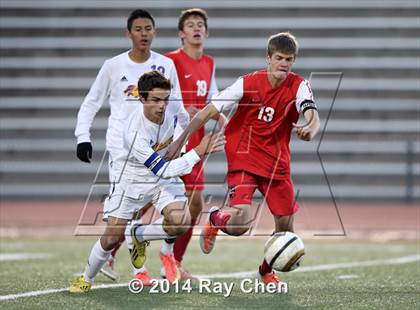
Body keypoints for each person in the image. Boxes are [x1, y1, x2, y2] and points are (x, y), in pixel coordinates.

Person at [168, 32, 320, 285]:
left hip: (276, 162)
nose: (284, 64)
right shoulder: (248, 82)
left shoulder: (299, 85)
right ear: (268, 58)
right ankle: (216, 220)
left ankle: (265, 272)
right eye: (279, 58)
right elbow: (208, 112)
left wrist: (310, 130)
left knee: (285, 229)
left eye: (289, 59)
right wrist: (179, 141)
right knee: (240, 226)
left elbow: (312, 113)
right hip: (244, 155)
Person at [70, 71, 225, 293]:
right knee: (112, 237)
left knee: (181, 222)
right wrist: (197, 152)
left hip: (161, 179)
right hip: (132, 180)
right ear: (141, 99)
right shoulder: (133, 131)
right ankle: (86, 278)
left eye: (164, 99)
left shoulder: (171, 106)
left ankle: (138, 235)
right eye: (155, 100)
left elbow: (184, 120)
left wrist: (179, 146)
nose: (162, 106)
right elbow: (162, 170)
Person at [74, 9, 189, 283]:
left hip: (158, 153)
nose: (144, 33)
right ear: (129, 34)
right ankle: (139, 272)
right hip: (123, 154)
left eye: (148, 28)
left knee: (175, 217)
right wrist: (83, 137)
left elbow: (179, 109)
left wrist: (181, 147)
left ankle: (132, 254)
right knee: (127, 216)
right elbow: (92, 101)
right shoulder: (113, 66)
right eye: (138, 29)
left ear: (155, 32)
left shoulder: (165, 65)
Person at [165, 8, 226, 280]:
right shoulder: (169, 61)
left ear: (207, 32)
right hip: (170, 141)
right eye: (190, 25)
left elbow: (213, 100)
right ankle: (111, 252)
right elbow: (156, 95)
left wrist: (225, 120)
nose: (196, 28)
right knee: (141, 202)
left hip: (196, 144)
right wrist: (179, 109)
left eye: (200, 24)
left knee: (195, 205)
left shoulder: (209, 62)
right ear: (181, 33)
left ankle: (174, 262)